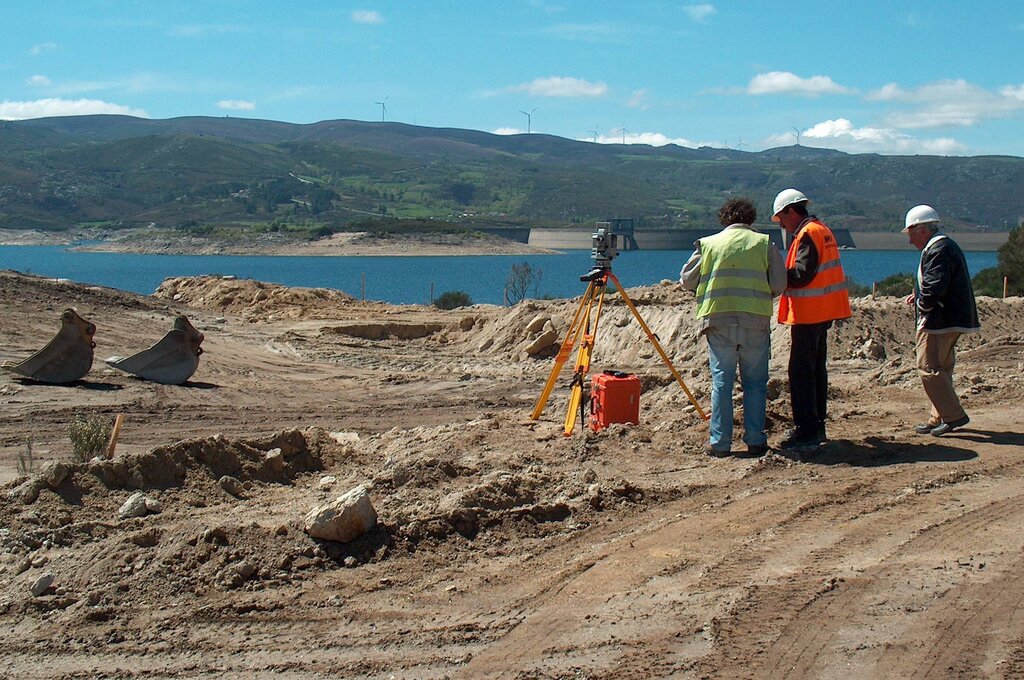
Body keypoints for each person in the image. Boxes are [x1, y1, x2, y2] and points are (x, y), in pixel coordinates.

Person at [681, 197, 786, 456]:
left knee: (722, 383)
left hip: (718, 320)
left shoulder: (708, 245)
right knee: (755, 384)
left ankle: (720, 443)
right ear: (750, 219)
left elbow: (686, 280)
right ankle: (755, 440)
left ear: (724, 218)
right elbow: (779, 284)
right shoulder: (763, 243)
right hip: (755, 320)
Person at [771, 188, 852, 450]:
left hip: (809, 314)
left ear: (791, 212)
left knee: (802, 373)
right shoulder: (821, 230)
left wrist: (776, 276)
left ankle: (806, 430)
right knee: (816, 370)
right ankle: (817, 426)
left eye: (781, 218)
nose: (781, 224)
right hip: (823, 312)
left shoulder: (807, 234)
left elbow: (802, 274)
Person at [903, 205, 980, 436]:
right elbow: (938, 280)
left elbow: (935, 287)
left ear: (921, 230)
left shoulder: (938, 249)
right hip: (947, 318)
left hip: (939, 321)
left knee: (929, 368)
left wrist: (923, 305)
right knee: (942, 369)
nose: (910, 240)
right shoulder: (942, 247)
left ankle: (953, 415)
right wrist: (920, 293)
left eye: (911, 233)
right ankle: (938, 416)